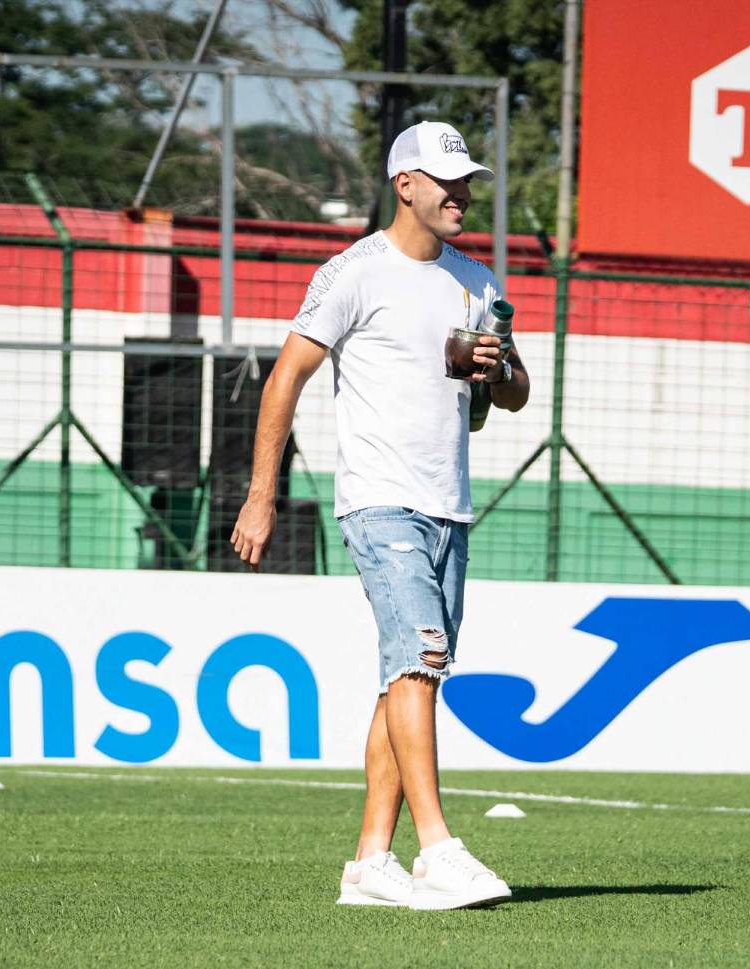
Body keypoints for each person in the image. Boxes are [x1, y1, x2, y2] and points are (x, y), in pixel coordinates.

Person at [230, 120, 530, 910]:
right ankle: (436, 846)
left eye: (467, 180)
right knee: (419, 663)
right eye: (447, 180)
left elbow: (516, 391)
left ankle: (368, 862)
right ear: (405, 184)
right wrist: (262, 494)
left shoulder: (478, 280)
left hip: (450, 507)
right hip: (380, 499)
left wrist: (498, 374)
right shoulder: (351, 272)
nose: (463, 193)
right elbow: (284, 380)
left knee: (408, 677)